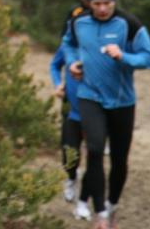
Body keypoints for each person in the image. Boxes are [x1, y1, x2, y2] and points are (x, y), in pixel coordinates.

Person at [62, 0, 150, 229]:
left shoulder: (129, 24)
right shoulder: (78, 22)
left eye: (107, 3)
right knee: (94, 150)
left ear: (114, 1)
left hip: (122, 101)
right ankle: (100, 212)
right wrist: (72, 63)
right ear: (89, 3)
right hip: (89, 96)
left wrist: (124, 56)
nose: (102, 8)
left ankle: (112, 205)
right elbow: (68, 44)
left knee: (119, 159)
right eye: (97, 3)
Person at [49, 46, 91, 221]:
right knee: (69, 152)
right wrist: (58, 84)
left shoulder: (101, 42)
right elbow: (54, 65)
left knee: (94, 158)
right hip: (71, 109)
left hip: (96, 110)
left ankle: (83, 202)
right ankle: (71, 177)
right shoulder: (68, 42)